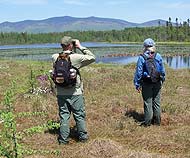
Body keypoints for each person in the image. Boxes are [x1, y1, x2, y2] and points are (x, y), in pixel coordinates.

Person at [51, 36, 96, 144]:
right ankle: (83, 138)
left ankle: (63, 140)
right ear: (71, 45)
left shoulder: (55, 57)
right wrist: (80, 46)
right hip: (75, 93)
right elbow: (92, 57)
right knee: (79, 115)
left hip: (61, 92)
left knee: (64, 116)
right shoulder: (75, 57)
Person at [134, 38, 165, 127]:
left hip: (146, 83)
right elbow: (162, 70)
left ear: (144, 47)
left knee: (148, 103)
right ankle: (157, 122)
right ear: (153, 46)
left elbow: (138, 72)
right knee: (157, 102)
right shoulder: (158, 55)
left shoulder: (142, 57)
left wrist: (137, 84)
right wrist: (162, 79)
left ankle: (147, 123)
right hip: (157, 82)